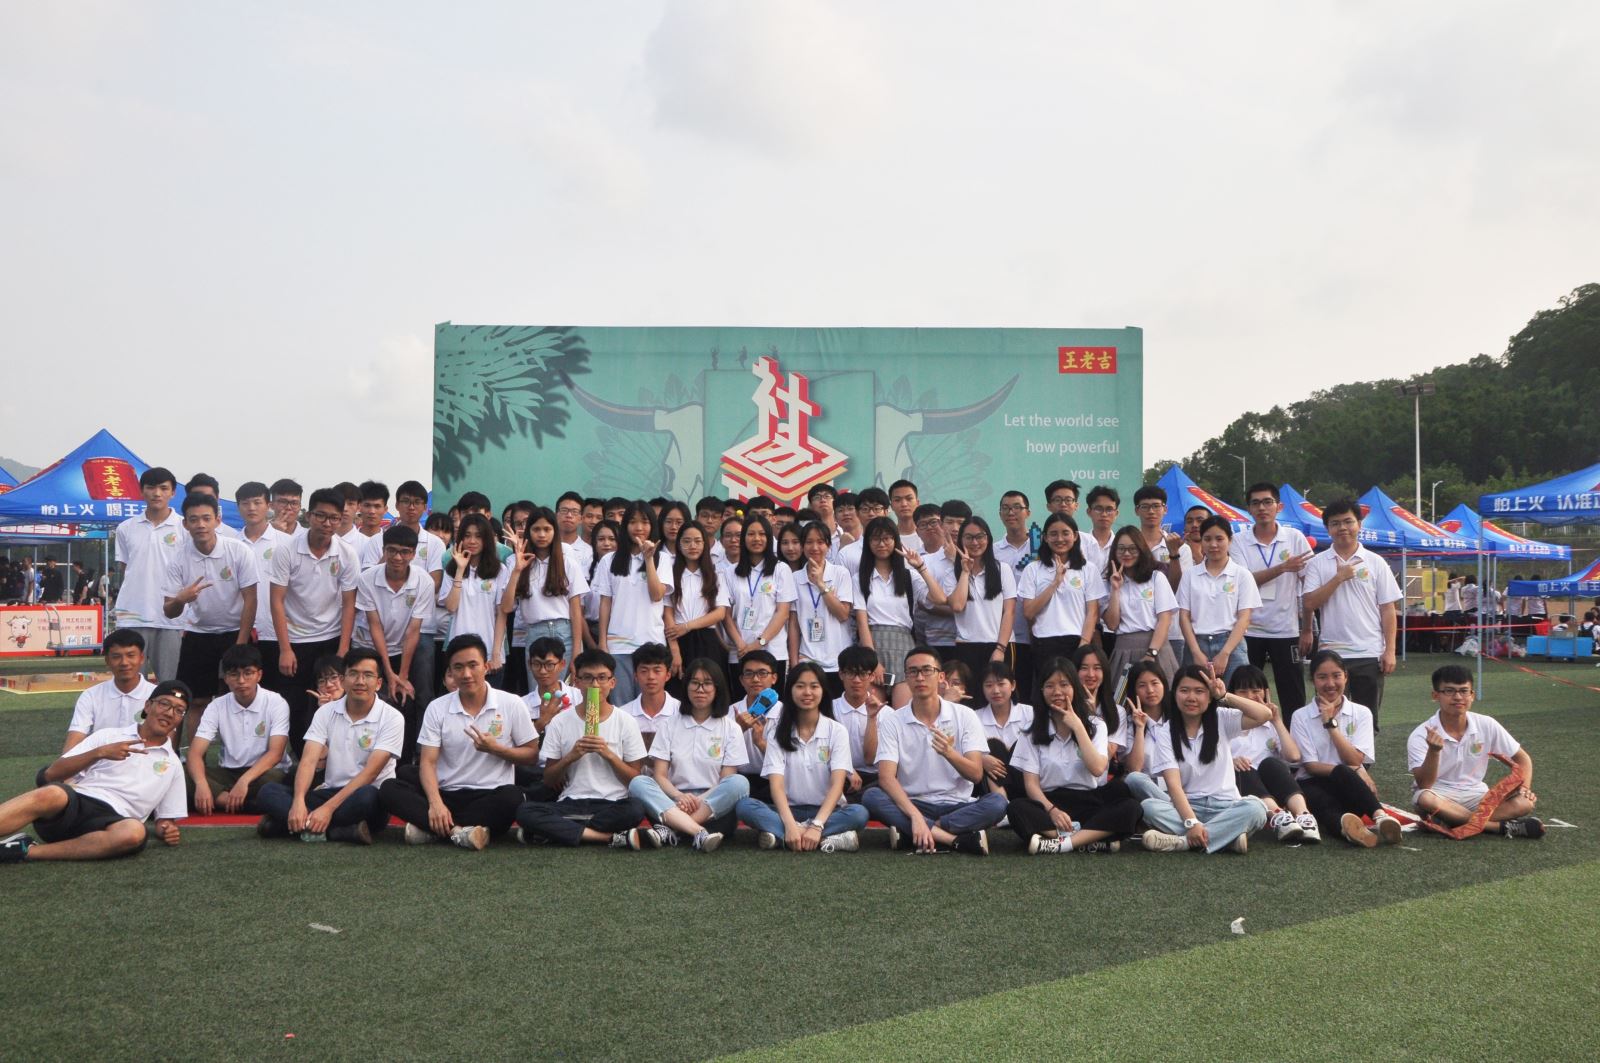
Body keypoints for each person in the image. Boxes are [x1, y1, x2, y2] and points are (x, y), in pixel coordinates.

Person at [0, 681, 191, 863]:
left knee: (134, 832)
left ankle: (24, 851)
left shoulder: (174, 765)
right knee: (52, 793)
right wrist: (99, 753)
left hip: (115, 821)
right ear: (148, 706)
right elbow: (50, 775)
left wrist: (167, 830)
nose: (169, 713)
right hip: (77, 804)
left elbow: (165, 819)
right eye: (164, 704)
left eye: (179, 710)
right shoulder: (108, 736)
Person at [379, 635, 538, 850]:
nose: (466, 674)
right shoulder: (437, 707)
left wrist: (496, 749)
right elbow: (428, 762)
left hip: (490, 795)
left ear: (486, 667)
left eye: (473, 665)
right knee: (389, 788)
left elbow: (531, 754)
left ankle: (433, 830)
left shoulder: (511, 703)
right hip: (446, 793)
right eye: (458, 667)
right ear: (450, 672)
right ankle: (458, 832)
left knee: (513, 798)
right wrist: (436, 804)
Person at [862, 646, 1007, 854]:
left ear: (940, 677)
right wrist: (914, 815)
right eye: (913, 672)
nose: (920, 677)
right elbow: (886, 778)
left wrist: (949, 753)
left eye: (927, 670)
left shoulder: (965, 715)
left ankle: (916, 833)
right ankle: (952, 839)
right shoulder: (894, 720)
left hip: (958, 804)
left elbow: (976, 774)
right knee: (872, 796)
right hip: (913, 803)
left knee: (998, 803)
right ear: (906, 678)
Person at [256, 648, 404, 844]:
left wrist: (327, 809)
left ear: (378, 683)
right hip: (329, 791)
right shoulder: (325, 712)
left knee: (368, 797)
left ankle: (287, 825)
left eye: (368, 675)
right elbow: (308, 761)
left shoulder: (392, 718)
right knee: (268, 792)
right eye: (353, 674)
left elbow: (370, 774)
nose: (360, 681)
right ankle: (340, 831)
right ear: (343, 680)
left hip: (365, 795)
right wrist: (298, 802)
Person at [1125, 665, 1271, 853]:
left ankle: (1184, 842)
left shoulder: (1222, 718)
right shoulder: (1166, 732)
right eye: (1184, 690)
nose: (1191, 697)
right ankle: (1226, 837)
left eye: (1199, 691)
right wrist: (1192, 822)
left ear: (1209, 697)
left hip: (1226, 806)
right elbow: (1174, 785)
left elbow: (1264, 715)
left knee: (1256, 808)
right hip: (1188, 806)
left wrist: (1224, 695)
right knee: (1149, 807)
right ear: (1175, 694)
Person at [513, 649, 650, 849]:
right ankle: (607, 837)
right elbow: (549, 779)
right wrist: (571, 756)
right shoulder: (560, 721)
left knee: (636, 809)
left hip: (612, 803)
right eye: (587, 678)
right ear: (576, 683)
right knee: (525, 811)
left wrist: (608, 755)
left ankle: (558, 832)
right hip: (571, 802)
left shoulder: (626, 721)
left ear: (612, 682)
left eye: (602, 678)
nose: (595, 685)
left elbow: (634, 780)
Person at [1009, 657, 1139, 854]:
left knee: (1131, 807)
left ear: (1075, 688)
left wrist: (1078, 727)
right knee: (1017, 808)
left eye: (1064, 684)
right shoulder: (1031, 731)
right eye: (1050, 686)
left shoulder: (1096, 725)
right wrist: (1052, 811)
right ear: (1041, 691)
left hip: (1089, 800)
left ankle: (1063, 843)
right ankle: (1089, 840)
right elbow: (1031, 785)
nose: (1057, 692)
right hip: (1050, 802)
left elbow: (1097, 768)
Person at [735, 662, 868, 852]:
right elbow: (776, 786)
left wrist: (816, 826)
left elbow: (837, 785)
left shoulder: (836, 731)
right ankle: (824, 838)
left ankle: (782, 836)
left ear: (823, 691)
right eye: (800, 686)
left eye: (814, 686)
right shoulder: (776, 732)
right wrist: (791, 825)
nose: (807, 692)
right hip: (788, 811)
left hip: (828, 811)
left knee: (859, 813)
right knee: (744, 806)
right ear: (790, 691)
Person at [163, 492, 260, 742]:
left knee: (240, 696)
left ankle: (240, 754)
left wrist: (240, 643)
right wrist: (181, 599)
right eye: (194, 519)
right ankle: (191, 757)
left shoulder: (238, 551)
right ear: (185, 524)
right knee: (195, 700)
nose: (201, 525)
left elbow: (251, 599)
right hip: (199, 634)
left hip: (235, 632)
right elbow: (169, 610)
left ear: (217, 520)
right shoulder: (178, 559)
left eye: (206, 518)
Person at [269, 487, 360, 754]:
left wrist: (343, 649)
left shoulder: (347, 553)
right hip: (296, 640)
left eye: (334, 518)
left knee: (334, 703)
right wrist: (285, 649)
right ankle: (300, 760)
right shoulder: (286, 551)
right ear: (309, 516)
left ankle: (331, 760)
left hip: (331, 639)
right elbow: (277, 601)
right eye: (321, 516)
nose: (327, 523)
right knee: (296, 704)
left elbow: (349, 603)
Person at [625, 657, 748, 852]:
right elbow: (660, 775)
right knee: (638, 783)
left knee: (739, 783)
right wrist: (680, 796)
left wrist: (697, 801)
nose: (700, 689)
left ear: (717, 688)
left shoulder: (731, 728)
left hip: (711, 804)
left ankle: (673, 830)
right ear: (686, 686)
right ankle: (698, 831)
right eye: (695, 683)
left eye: (707, 683)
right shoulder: (669, 724)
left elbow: (726, 779)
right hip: (673, 801)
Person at [1407, 664, 1543, 838]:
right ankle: (1498, 827)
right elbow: (1425, 784)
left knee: (1525, 802)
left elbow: (1522, 758)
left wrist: (1524, 788)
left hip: (1476, 794)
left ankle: (1454, 820)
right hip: (1438, 795)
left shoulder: (1486, 724)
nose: (1458, 697)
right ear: (1435, 695)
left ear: (1472, 695)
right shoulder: (1421, 734)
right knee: (1425, 799)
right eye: (1449, 691)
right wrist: (1434, 751)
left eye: (1464, 691)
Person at [1301, 499, 1401, 730]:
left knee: (1367, 720)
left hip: (1369, 652)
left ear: (1359, 525)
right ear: (1328, 529)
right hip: (1331, 653)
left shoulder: (1375, 562)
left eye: (1348, 521)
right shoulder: (1317, 563)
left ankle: (1363, 755)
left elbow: (1387, 609)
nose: (1342, 528)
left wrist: (1390, 650)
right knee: (1329, 718)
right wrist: (1338, 578)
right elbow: (1309, 603)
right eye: (1335, 523)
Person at [1287, 650, 1403, 848]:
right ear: (1313, 680)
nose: (1330, 683)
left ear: (1346, 677)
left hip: (1350, 784)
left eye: (1336, 676)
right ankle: (1347, 829)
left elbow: (1355, 759)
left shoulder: (1361, 713)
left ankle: (1381, 818)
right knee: (1324, 802)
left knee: (1342, 776)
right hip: (1312, 783)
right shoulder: (1301, 716)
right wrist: (1356, 770)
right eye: (1322, 677)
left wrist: (1331, 725)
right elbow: (1311, 766)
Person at [1232, 483, 1314, 715]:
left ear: (1279, 506)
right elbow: (1244, 581)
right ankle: (1249, 735)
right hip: (1248, 630)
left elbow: (1309, 585)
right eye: (1255, 503)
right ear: (1249, 509)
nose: (1262, 508)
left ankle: (1293, 736)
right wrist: (1282, 568)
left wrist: (1307, 629)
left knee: (1293, 693)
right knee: (1246, 692)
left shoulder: (1295, 538)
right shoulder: (1238, 541)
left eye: (1267, 502)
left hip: (1285, 630)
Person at [354, 524, 432, 758]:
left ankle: (409, 757)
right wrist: (389, 673)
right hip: (369, 648)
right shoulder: (367, 578)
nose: (398, 557)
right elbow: (374, 626)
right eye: (392, 550)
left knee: (408, 696)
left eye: (405, 552)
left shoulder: (424, 581)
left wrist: (403, 676)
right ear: (384, 550)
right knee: (372, 700)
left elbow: (413, 630)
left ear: (414, 554)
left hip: (404, 647)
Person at [185, 644, 291, 816]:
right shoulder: (216, 706)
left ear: (259, 675)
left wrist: (244, 781)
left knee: (275, 780)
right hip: (228, 772)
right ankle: (240, 803)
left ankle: (220, 799)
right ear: (225, 678)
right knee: (182, 772)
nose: (241, 681)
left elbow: (275, 754)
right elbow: (195, 753)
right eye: (234, 674)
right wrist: (201, 784)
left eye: (248, 673)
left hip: (263, 772)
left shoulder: (276, 702)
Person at [1226, 665, 1320, 844]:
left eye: (1256, 691)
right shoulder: (1224, 720)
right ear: (1232, 695)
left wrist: (1276, 720)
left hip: (1272, 784)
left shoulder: (1270, 725)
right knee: (1245, 768)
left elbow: (1293, 756)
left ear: (1266, 693)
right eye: (1243, 691)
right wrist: (1230, 761)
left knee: (1271, 764)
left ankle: (1304, 816)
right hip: (1241, 784)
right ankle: (1279, 817)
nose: (1250, 697)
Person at [595, 501, 671, 705]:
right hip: (618, 645)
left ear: (652, 525)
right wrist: (602, 642)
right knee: (622, 705)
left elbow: (657, 595)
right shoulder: (609, 560)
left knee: (650, 703)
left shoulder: (663, 559)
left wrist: (648, 559)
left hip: (651, 643)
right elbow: (605, 603)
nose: (639, 527)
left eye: (644, 522)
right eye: (633, 522)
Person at [112, 466, 185, 682]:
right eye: (151, 488)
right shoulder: (126, 528)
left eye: (164, 488)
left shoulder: (184, 528)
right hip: (133, 616)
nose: (157, 493)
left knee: (170, 685)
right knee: (131, 684)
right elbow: (126, 568)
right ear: (142, 491)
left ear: (173, 492)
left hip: (171, 619)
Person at [854, 517, 949, 680]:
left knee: (904, 694)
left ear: (895, 540)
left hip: (904, 644)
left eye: (886, 538)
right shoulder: (859, 578)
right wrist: (873, 661)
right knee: (875, 695)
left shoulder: (909, 577)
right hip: (872, 644)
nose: (881, 544)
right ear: (868, 542)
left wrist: (920, 567)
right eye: (875, 539)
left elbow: (940, 599)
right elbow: (862, 622)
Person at [503, 506, 587, 677]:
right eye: (536, 529)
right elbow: (506, 607)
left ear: (554, 531)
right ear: (529, 532)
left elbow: (576, 609)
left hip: (564, 632)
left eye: (547, 529)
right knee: (539, 687)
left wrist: (577, 650)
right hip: (534, 632)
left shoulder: (568, 563)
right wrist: (517, 570)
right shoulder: (517, 564)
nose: (541, 534)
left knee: (565, 688)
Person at [1176, 515, 1260, 681]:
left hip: (1232, 645)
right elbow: (1184, 616)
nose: (1213, 544)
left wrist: (1225, 653)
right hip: (1196, 644)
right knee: (1195, 693)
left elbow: (1244, 618)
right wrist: (1196, 652)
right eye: (1207, 539)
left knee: (1235, 694)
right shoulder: (1190, 575)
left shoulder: (1242, 575)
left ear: (1230, 540)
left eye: (1219, 539)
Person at [723, 514, 797, 689]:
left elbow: (782, 613)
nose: (756, 538)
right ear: (743, 538)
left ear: (769, 538)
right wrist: (741, 644)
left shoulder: (781, 569)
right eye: (751, 534)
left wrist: (759, 643)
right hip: (740, 652)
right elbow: (725, 614)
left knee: (772, 703)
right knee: (741, 702)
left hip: (773, 652)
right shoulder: (730, 572)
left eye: (762, 534)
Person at [1020, 513, 1104, 666]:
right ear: (1045, 537)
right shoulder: (1032, 569)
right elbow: (1028, 612)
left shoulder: (1088, 569)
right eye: (1053, 534)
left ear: (1075, 536)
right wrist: (1055, 583)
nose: (1059, 539)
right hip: (1044, 643)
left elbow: (1092, 612)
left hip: (1077, 642)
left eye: (1065, 533)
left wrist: (1084, 644)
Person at [947, 516, 1018, 698]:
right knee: (970, 699)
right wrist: (965, 572)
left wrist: (1000, 649)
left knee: (1000, 697)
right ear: (960, 540)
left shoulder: (1002, 569)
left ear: (988, 538)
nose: (975, 542)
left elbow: (1009, 611)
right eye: (969, 537)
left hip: (999, 644)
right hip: (966, 645)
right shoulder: (952, 573)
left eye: (980, 536)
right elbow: (957, 605)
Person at [438, 512, 512, 685]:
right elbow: (451, 607)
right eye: (467, 535)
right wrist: (459, 570)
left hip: (490, 653)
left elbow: (502, 614)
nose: (472, 541)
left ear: (486, 539)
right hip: (458, 650)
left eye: (478, 536)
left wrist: (496, 654)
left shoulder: (499, 570)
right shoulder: (451, 569)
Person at [1101, 527, 1180, 683]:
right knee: (1122, 696)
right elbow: (1112, 624)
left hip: (1156, 649)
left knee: (1161, 694)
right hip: (1123, 650)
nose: (1127, 553)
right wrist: (1115, 589)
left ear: (1141, 550)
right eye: (1121, 549)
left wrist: (1152, 653)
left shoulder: (1156, 577)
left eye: (1132, 549)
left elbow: (1165, 619)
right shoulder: (1107, 583)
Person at [60, 629, 155, 753]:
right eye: (116, 657)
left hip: (144, 762)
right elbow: (72, 746)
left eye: (131, 655)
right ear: (107, 661)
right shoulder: (91, 696)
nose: (124, 663)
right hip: (100, 762)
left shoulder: (158, 696)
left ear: (142, 658)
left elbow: (167, 746)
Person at [789, 521, 854, 692]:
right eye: (809, 542)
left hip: (838, 660)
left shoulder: (840, 573)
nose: (815, 547)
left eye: (820, 542)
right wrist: (794, 662)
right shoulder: (795, 578)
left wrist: (820, 583)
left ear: (829, 546)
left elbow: (843, 614)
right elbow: (793, 624)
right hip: (807, 659)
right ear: (802, 546)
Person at [664, 521, 729, 693]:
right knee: (679, 691)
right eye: (686, 541)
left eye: (697, 541)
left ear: (705, 544)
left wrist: (687, 626)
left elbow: (720, 613)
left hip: (707, 640)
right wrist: (674, 650)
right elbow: (667, 612)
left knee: (708, 690)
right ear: (679, 544)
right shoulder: (670, 573)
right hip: (678, 638)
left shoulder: (715, 574)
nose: (692, 546)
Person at [235, 481, 289, 678]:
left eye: (257, 502)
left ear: (269, 505)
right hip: (240, 630)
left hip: (276, 632)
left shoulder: (286, 543)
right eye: (245, 503)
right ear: (238, 507)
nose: (251, 508)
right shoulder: (232, 544)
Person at [832, 645, 886, 800]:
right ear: (841, 674)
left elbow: (870, 759)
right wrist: (847, 769)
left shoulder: (887, 714)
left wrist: (872, 718)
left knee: (879, 790)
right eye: (850, 673)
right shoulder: (829, 709)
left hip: (875, 777)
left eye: (862, 674)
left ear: (872, 676)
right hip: (840, 774)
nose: (856, 680)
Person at [975, 660, 1033, 800]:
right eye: (989, 685)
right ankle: (1002, 802)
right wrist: (981, 759)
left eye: (1001, 684)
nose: (996, 690)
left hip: (1025, 777)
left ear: (1012, 685)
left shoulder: (1029, 713)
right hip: (991, 783)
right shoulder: (974, 717)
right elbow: (964, 749)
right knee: (993, 746)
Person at [619, 642, 680, 753]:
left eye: (657, 671)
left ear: (668, 675)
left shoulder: (681, 711)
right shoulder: (623, 714)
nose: (651, 677)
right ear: (635, 676)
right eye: (644, 671)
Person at [888, 479, 924, 554]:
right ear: (891, 506)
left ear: (917, 503)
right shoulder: (887, 537)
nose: (904, 504)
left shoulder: (928, 534)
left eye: (909, 499)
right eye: (897, 500)